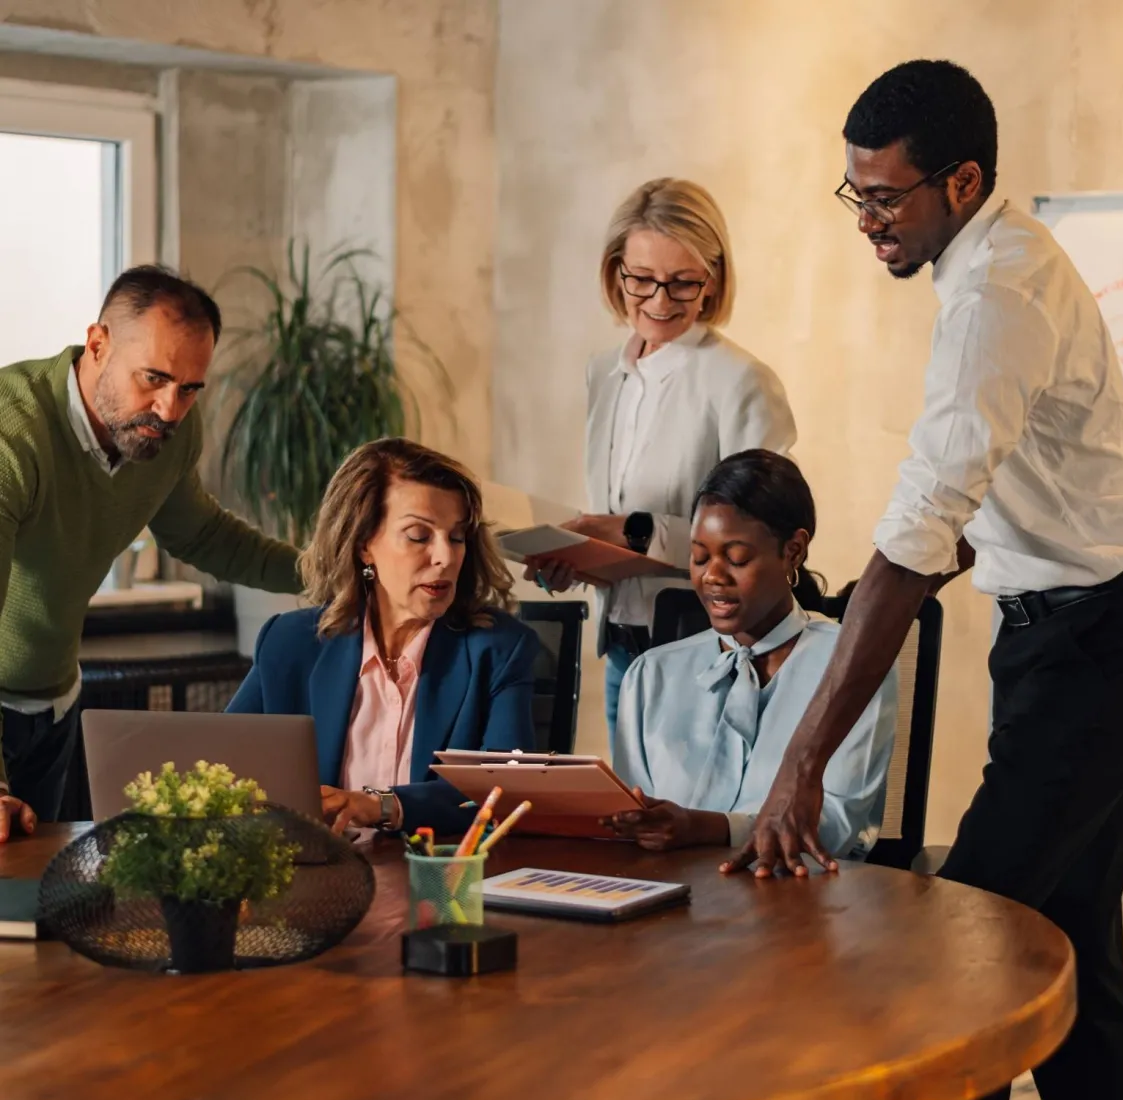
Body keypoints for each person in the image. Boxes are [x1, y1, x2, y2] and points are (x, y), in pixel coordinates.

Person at [724, 60, 1123, 1100]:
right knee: (1071, 938)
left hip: (1119, 634)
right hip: (1080, 628)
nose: (867, 221)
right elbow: (972, 513)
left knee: (972, 929)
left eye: (885, 197)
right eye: (854, 195)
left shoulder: (996, 295)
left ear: (963, 181)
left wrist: (800, 765)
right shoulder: (990, 266)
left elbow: (917, 532)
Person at [0, 265, 302, 833]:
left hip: (55, 704)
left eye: (189, 388)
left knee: (40, 885)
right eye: (154, 378)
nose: (169, 409)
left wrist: (326, 571)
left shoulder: (164, 432)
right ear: (98, 345)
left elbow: (202, 535)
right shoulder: (12, 433)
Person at [533, 178, 796, 748]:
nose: (658, 301)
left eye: (682, 282)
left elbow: (761, 538)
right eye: (642, 279)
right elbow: (618, 520)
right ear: (616, 272)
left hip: (705, 649)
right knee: (633, 805)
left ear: (712, 280)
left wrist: (634, 532)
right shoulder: (605, 373)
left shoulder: (740, 381)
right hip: (622, 644)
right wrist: (578, 556)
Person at [227, 437, 539, 837]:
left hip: (434, 872)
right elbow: (219, 767)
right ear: (364, 545)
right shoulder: (289, 643)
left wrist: (383, 806)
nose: (445, 557)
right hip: (317, 868)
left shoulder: (499, 650)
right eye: (419, 536)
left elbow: (506, 793)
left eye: (457, 537)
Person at [604, 450, 896, 855]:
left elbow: (837, 825)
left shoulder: (851, 666)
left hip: (798, 885)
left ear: (793, 551)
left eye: (736, 558)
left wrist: (706, 828)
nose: (712, 576)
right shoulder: (650, 676)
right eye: (699, 556)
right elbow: (634, 819)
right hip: (669, 885)